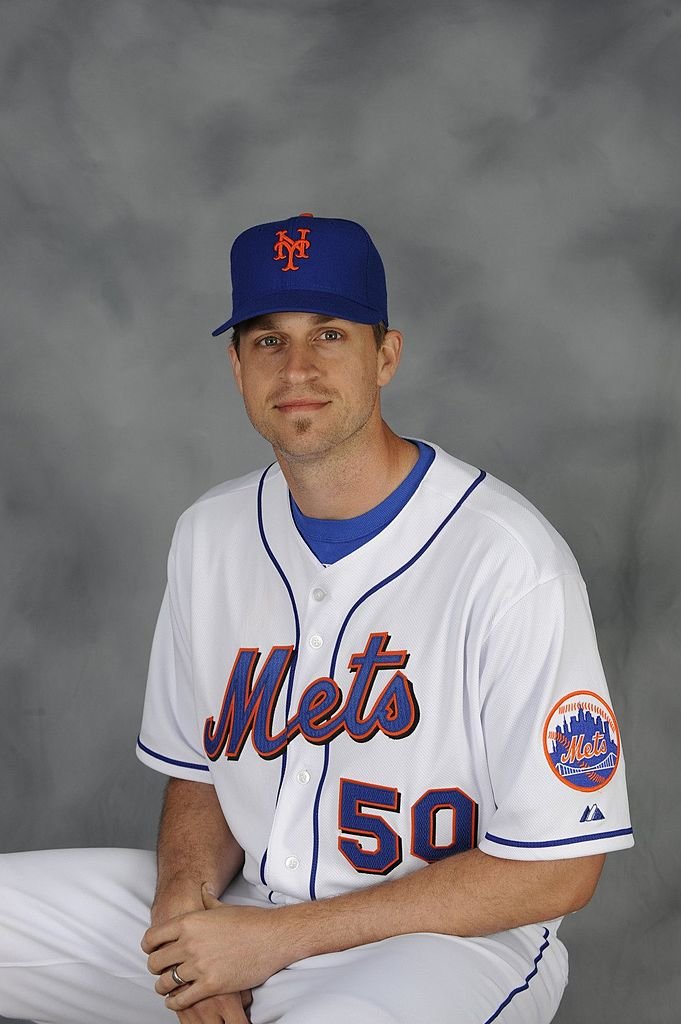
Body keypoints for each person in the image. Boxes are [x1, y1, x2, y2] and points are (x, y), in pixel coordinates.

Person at [0, 214, 633, 1024]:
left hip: (444, 944)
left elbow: (559, 871)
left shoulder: (507, 558)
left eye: (329, 334)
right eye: (268, 340)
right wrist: (184, 927)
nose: (296, 367)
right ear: (236, 365)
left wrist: (274, 941)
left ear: (385, 355)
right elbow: (199, 769)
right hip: (244, 906)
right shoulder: (209, 534)